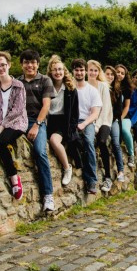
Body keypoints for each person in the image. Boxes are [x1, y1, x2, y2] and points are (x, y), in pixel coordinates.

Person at [18, 49, 57, 212]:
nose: (30, 65)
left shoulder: (45, 80)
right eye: (26, 62)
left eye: (33, 62)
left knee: (40, 151)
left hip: (37, 121)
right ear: (21, 65)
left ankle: (48, 195)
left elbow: (46, 105)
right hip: (19, 121)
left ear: (38, 64)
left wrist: (37, 125)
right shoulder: (17, 82)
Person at [0, 51, 28, 200]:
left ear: (9, 65)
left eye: (3, 65)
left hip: (16, 123)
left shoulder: (19, 85)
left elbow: (18, 110)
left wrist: (2, 126)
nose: (1, 68)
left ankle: (13, 177)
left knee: (1, 141)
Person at [87, 60, 123, 193]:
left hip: (104, 121)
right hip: (89, 121)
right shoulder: (83, 85)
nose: (93, 73)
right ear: (87, 71)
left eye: (95, 70)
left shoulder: (103, 86)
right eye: (90, 70)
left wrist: (96, 126)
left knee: (102, 141)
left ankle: (107, 177)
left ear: (98, 72)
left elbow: (106, 108)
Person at [46, 55, 78, 187]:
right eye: (55, 70)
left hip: (62, 122)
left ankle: (67, 168)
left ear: (64, 71)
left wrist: (72, 129)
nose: (58, 72)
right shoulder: (46, 86)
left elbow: (75, 112)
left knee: (54, 140)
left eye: (60, 69)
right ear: (50, 72)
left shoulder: (70, 89)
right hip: (48, 121)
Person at [71, 58, 102, 194]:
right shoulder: (70, 89)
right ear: (73, 72)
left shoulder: (92, 91)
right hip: (72, 121)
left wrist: (83, 124)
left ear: (85, 71)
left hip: (87, 121)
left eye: (81, 70)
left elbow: (95, 113)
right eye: (76, 70)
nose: (79, 73)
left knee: (88, 141)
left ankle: (92, 181)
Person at [115, 64, 135, 167]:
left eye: (122, 73)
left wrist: (120, 119)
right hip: (111, 116)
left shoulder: (127, 89)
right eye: (118, 72)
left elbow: (127, 107)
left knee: (125, 131)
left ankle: (131, 154)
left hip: (124, 116)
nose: (119, 74)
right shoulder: (109, 85)